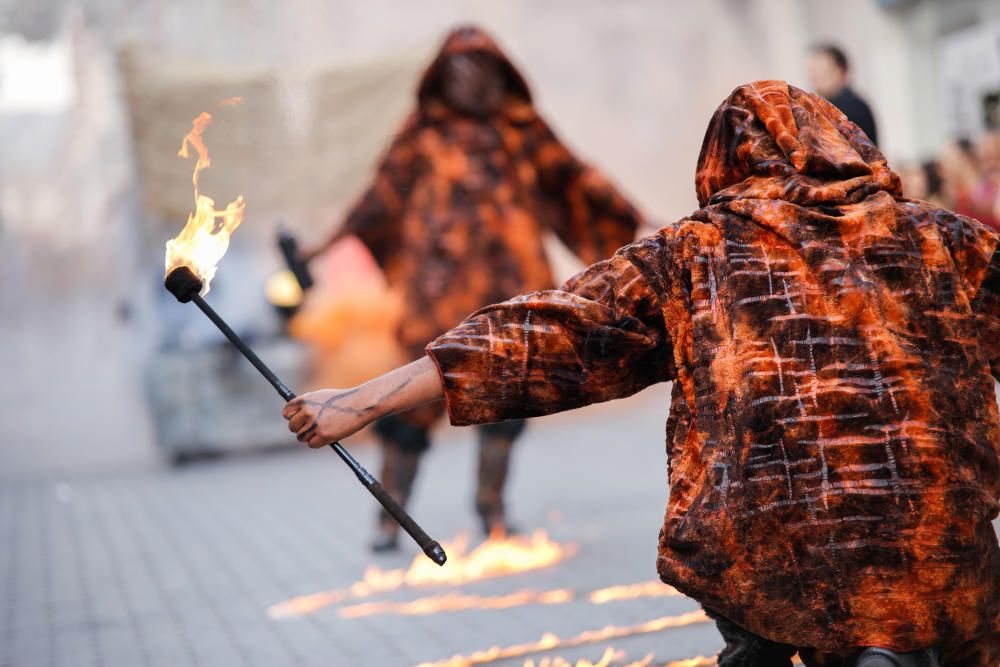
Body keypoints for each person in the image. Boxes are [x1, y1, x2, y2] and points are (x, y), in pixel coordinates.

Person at [285, 81, 1000, 665]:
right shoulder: (945, 240)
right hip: (940, 560)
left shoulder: (694, 257)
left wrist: (361, 400)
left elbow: (537, 333)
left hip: (775, 565)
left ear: (724, 162)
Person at [304, 25, 641, 551]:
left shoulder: (521, 129)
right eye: (460, 70)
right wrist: (326, 242)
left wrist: (633, 216)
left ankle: (493, 509)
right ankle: (390, 517)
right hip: (436, 292)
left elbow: (574, 179)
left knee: (506, 397)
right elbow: (381, 197)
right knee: (408, 406)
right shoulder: (423, 133)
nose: (471, 80)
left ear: (500, 74)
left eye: (482, 70)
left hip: (511, 288)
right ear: (441, 76)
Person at [807, 44, 879, 146]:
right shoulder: (831, 106)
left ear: (839, 71)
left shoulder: (852, 108)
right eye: (812, 72)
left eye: (821, 71)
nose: (815, 78)